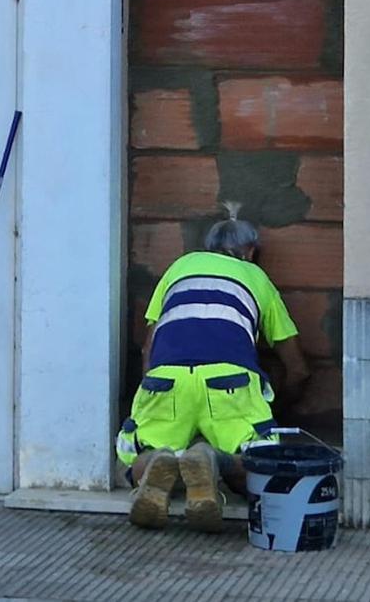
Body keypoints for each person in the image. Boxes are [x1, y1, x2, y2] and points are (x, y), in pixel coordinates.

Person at [116, 203, 309, 532]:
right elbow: (298, 368)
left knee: (140, 456)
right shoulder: (256, 276)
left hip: (165, 378)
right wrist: (276, 410)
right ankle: (213, 461)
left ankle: (161, 463)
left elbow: (149, 346)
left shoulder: (180, 267)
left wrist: (152, 392)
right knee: (258, 467)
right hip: (229, 380)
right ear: (249, 252)